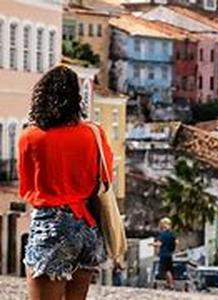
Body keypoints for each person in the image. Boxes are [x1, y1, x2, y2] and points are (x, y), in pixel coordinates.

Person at [18, 66, 113, 300]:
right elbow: (106, 177)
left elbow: (27, 188)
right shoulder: (94, 133)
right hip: (88, 227)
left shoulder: (30, 137)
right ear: (76, 98)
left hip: (52, 224)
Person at [152, 218, 177, 289]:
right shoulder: (172, 234)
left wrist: (152, 244)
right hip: (170, 254)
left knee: (165, 270)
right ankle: (168, 283)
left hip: (164, 254)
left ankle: (171, 283)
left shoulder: (163, 235)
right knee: (169, 269)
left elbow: (159, 244)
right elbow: (176, 242)